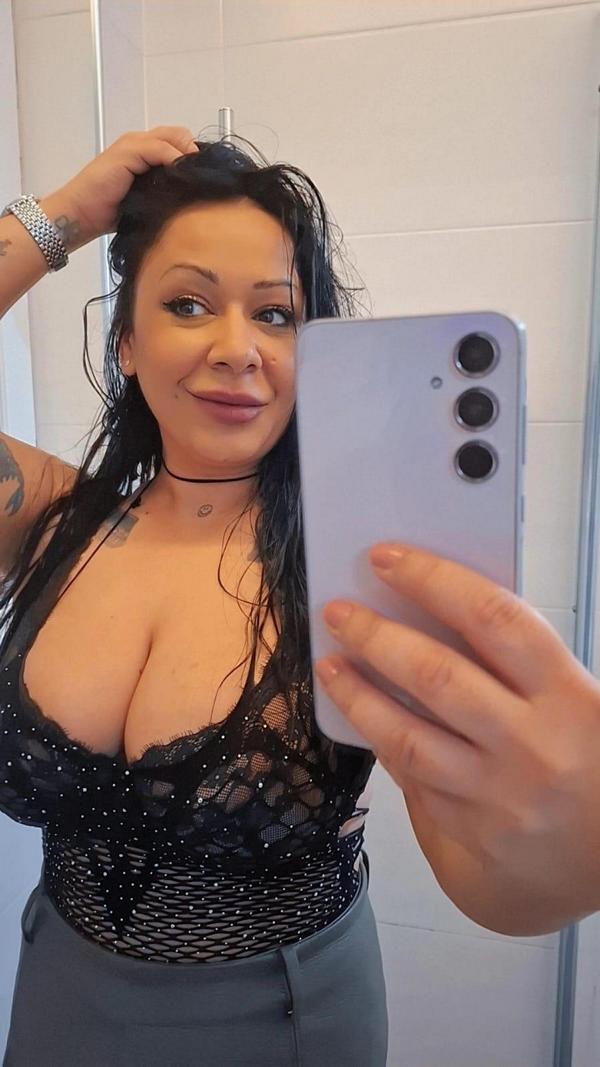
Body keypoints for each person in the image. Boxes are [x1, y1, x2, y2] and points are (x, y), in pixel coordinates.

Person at [0, 127, 388, 1067]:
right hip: (58, 993)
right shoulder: (53, 520)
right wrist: (66, 215)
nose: (237, 349)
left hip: (286, 1019)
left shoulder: (359, 562)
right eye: (188, 303)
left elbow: (509, 885)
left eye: (276, 314)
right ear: (127, 343)